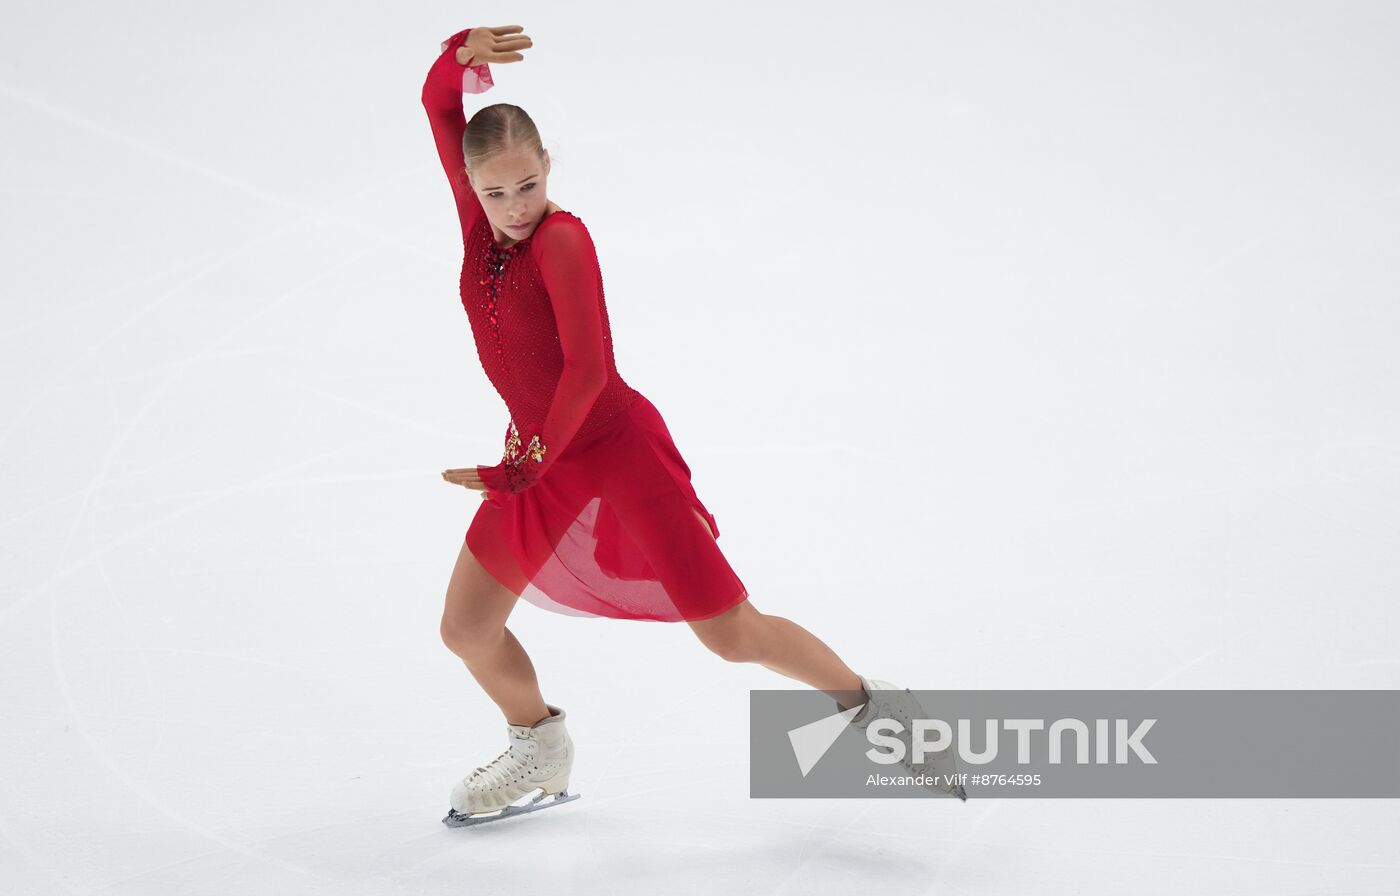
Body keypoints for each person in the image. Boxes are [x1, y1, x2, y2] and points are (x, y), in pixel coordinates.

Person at [422, 24, 963, 825]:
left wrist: (527, 467)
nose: (513, 208)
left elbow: (588, 373)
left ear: (548, 170)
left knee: (732, 635)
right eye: (495, 192)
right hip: (537, 457)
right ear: (471, 184)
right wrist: (456, 54)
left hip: (611, 452)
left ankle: (872, 706)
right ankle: (538, 742)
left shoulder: (563, 240)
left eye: (528, 185)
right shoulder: (484, 226)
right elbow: (438, 106)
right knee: (467, 629)